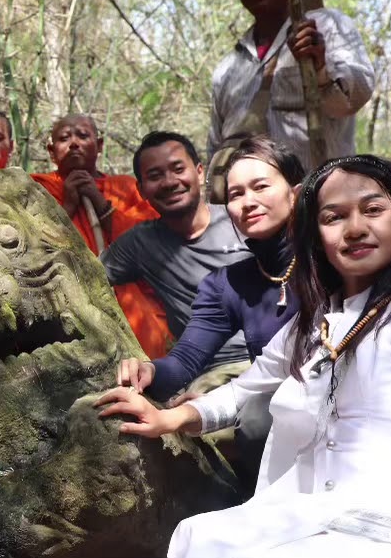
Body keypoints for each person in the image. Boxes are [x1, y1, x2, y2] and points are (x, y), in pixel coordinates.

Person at [97, 155, 391, 558]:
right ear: (315, 233)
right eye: (334, 217)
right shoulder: (318, 317)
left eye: (372, 209)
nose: (354, 229)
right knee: (202, 545)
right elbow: (250, 383)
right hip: (314, 510)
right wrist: (171, 417)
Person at [118, 135, 305, 402]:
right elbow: (186, 358)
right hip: (262, 402)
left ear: (295, 193)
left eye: (261, 187)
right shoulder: (226, 284)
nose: (248, 202)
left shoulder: (331, 260)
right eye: (236, 194)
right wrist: (149, 371)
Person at [208, 0, 374, 172]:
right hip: (253, 206)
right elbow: (216, 147)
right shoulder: (227, 69)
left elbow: (353, 98)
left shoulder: (327, 26)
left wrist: (320, 69)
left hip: (317, 199)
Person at [101, 131, 253, 370]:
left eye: (178, 169)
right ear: (141, 190)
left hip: (268, 359)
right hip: (203, 372)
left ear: (200, 172)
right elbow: (86, 276)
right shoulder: (140, 243)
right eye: (155, 176)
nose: (170, 182)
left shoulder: (242, 220)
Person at [30, 114, 172, 358]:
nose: (74, 143)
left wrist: (101, 204)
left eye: (83, 136)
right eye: (64, 138)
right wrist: (68, 206)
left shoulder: (126, 187)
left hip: (134, 303)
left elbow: (156, 242)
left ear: (100, 145)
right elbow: (31, 248)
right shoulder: (37, 188)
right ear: (52, 152)